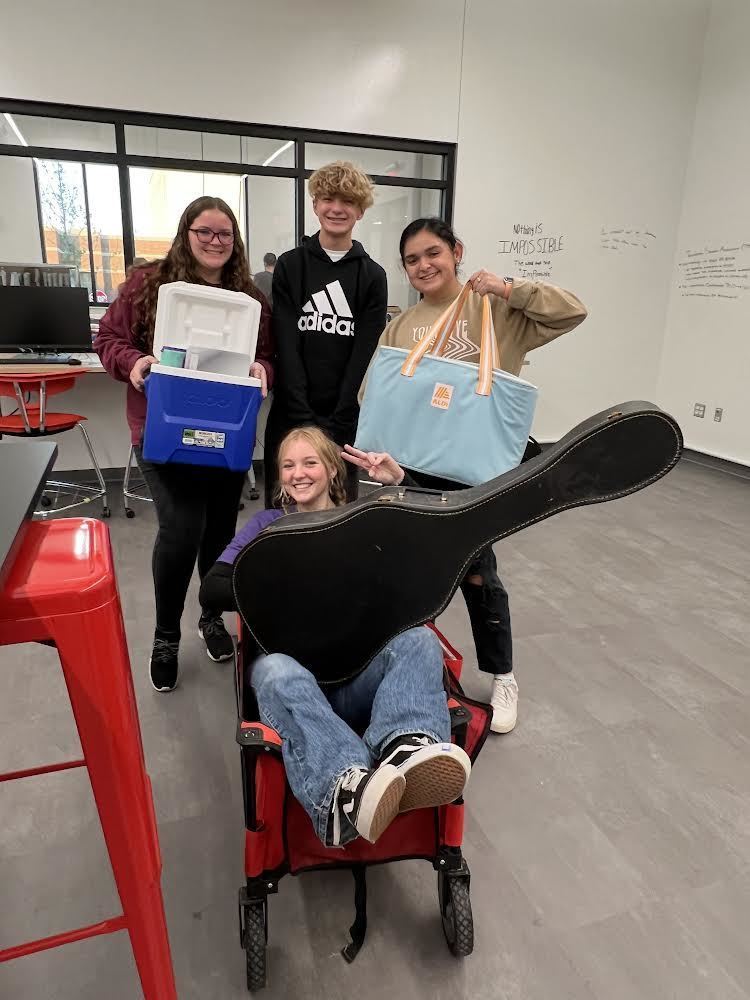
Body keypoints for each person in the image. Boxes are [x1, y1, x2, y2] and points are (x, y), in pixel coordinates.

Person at [357, 217, 588, 735]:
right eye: (412, 259)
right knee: (410, 571)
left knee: (479, 573)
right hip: (412, 468)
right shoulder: (402, 326)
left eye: (433, 253)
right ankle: (412, 667)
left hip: (477, 471)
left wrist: (507, 287)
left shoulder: (499, 311)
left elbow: (573, 311)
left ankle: (502, 674)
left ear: (457, 251)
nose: (424, 266)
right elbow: (373, 396)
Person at [200, 426, 470, 847]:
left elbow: (435, 535)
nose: (297, 473)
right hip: (301, 687)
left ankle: (407, 748)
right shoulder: (267, 526)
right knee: (271, 669)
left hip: (359, 677)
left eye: (309, 463)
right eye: (288, 465)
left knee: (418, 640)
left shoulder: (359, 520)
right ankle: (345, 789)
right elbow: (213, 587)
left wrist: (400, 485)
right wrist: (295, 584)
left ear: (331, 469)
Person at [96, 196, 275, 693]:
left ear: (235, 240)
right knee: (180, 529)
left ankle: (210, 617)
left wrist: (263, 369)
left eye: (225, 234)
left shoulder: (250, 298)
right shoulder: (149, 284)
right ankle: (165, 635)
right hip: (161, 432)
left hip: (225, 435)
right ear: (186, 233)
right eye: (205, 232)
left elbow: (266, 355)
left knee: (219, 531)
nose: (216, 242)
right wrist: (134, 364)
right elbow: (108, 338)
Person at [264, 161, 388, 507]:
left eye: (348, 201)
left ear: (360, 210)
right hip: (290, 414)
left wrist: (336, 425)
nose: (337, 208)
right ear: (315, 204)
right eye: (328, 199)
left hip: (344, 421)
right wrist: (304, 420)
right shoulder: (291, 265)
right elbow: (287, 346)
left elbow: (364, 356)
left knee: (337, 516)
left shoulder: (372, 277)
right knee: (282, 512)